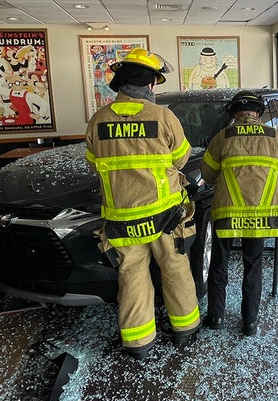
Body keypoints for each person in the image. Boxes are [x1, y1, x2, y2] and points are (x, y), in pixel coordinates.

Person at [85, 48, 200, 360]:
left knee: (132, 275)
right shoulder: (163, 117)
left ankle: (140, 344)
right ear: (150, 85)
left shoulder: (98, 120)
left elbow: (94, 161)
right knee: (174, 269)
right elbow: (181, 158)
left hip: (121, 218)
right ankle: (184, 331)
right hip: (164, 215)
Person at [200, 90, 278, 336]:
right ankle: (250, 323)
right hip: (261, 215)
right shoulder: (276, 137)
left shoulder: (222, 137)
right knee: (253, 266)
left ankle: (216, 317)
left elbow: (208, 175)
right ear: (258, 113)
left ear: (234, 114)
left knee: (219, 265)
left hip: (226, 213)